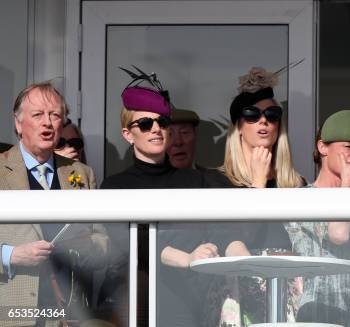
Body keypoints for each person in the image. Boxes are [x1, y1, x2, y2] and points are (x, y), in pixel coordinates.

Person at [99, 67, 248, 327]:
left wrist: (240, 255)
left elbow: (222, 229)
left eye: (162, 122)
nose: (156, 129)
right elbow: (133, 241)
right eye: (145, 124)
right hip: (145, 303)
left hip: (200, 302)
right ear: (127, 135)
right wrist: (187, 258)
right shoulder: (115, 186)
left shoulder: (195, 181)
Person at [0, 82, 109, 327]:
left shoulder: (80, 173)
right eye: (37, 114)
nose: (47, 122)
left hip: (67, 314)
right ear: (18, 123)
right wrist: (11, 255)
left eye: (55, 115)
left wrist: (87, 246)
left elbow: (103, 241)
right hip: (10, 312)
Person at [202, 67, 304, 325]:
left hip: (286, 291)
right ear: (238, 127)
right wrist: (257, 185)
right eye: (252, 114)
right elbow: (231, 238)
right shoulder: (216, 181)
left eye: (272, 114)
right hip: (239, 291)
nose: (263, 121)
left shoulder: (294, 183)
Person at [286, 92, 350, 327]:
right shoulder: (300, 199)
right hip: (314, 318)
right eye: (348, 146)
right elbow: (338, 235)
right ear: (322, 147)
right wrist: (349, 185)